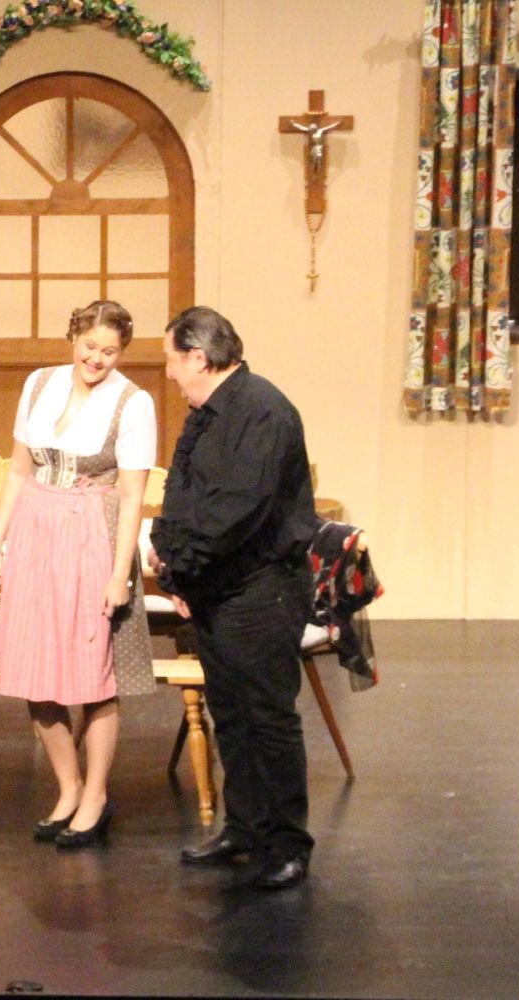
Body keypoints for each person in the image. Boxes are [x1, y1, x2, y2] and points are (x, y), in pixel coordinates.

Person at [149, 306, 319, 891]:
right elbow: (182, 488)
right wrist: (171, 556)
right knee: (230, 713)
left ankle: (287, 844)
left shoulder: (262, 410)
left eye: (172, 359)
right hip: (219, 586)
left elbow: (238, 510)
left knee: (268, 717)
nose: (169, 372)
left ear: (198, 357)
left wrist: (183, 560)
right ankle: (245, 828)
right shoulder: (208, 413)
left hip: (263, 586)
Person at [0, 301, 156, 850]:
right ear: (73, 339)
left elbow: (132, 497)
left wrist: (119, 574)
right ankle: (68, 787)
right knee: (35, 670)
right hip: (36, 530)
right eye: (90, 346)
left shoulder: (133, 402)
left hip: (91, 532)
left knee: (92, 672)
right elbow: (17, 470)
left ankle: (96, 794)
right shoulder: (39, 383)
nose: (97, 359)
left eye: (110, 351)